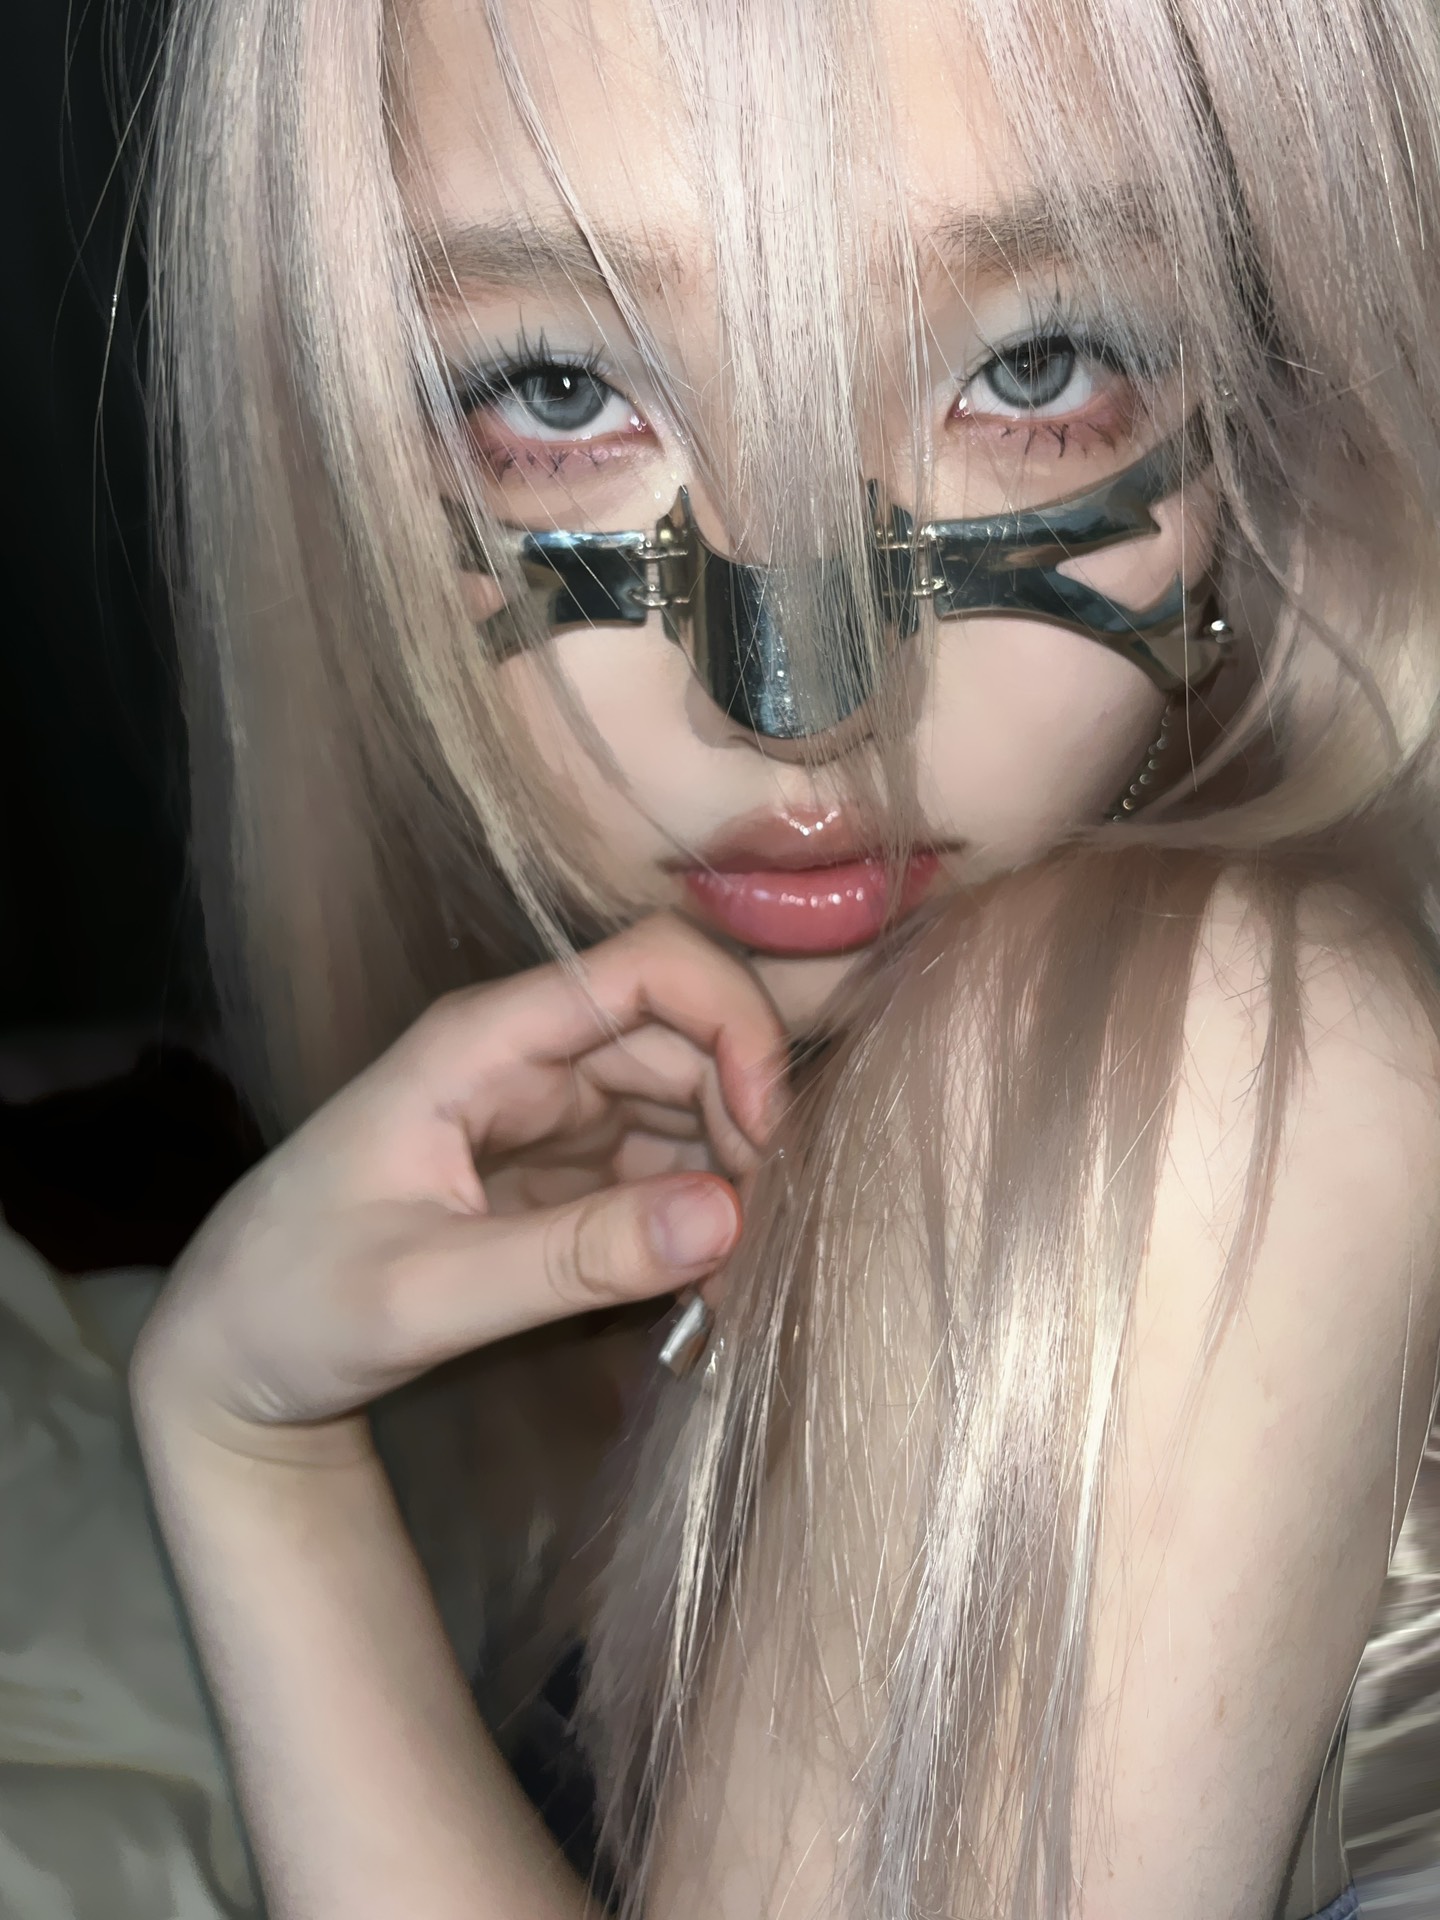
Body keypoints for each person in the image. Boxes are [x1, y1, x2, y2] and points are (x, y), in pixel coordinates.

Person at [129, 0, 1440, 1914]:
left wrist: (254, 1465)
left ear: (1270, 416)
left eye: (1037, 362)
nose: (800, 701)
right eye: (557, 390)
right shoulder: (736, 1137)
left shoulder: (1217, 1070)